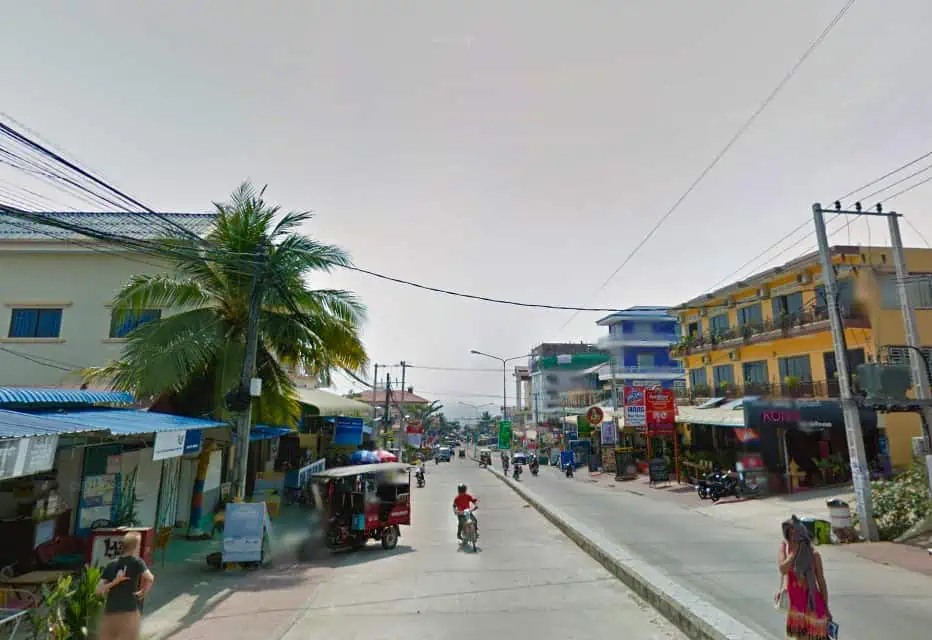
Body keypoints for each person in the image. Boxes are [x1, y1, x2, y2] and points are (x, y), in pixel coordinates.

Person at [778, 515, 831, 639]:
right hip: (796, 606)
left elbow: (821, 582)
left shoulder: (813, 555)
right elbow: (782, 569)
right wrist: (794, 554)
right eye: (790, 535)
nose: (793, 539)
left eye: (797, 536)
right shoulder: (784, 549)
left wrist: (826, 608)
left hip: (812, 604)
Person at [96, 532, 155, 640]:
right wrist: (143, 592)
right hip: (129, 612)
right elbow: (150, 578)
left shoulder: (111, 564)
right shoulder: (137, 562)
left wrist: (115, 581)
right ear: (135, 547)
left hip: (110, 613)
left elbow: (98, 590)